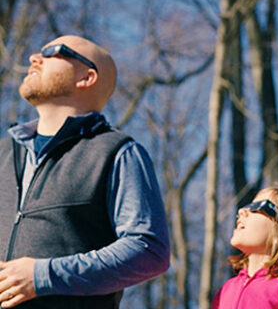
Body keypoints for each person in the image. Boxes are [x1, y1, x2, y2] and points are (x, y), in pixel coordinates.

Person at [0, 35, 170, 308]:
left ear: (87, 77)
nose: (34, 58)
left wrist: (43, 275)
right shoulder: (3, 153)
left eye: (53, 51)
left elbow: (148, 249)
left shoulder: (117, 152)